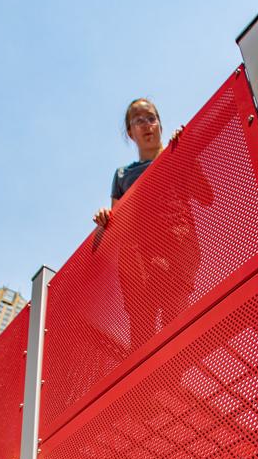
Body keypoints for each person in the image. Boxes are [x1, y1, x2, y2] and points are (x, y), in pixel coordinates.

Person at [92, 97, 215, 347]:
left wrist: (185, 154)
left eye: (151, 118)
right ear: (130, 132)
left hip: (177, 245)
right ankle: (146, 383)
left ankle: (174, 383)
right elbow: (115, 227)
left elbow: (206, 197)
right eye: (138, 120)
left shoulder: (175, 153)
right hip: (138, 256)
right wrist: (104, 221)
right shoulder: (123, 175)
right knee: (141, 327)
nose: (147, 124)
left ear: (160, 124)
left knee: (176, 321)